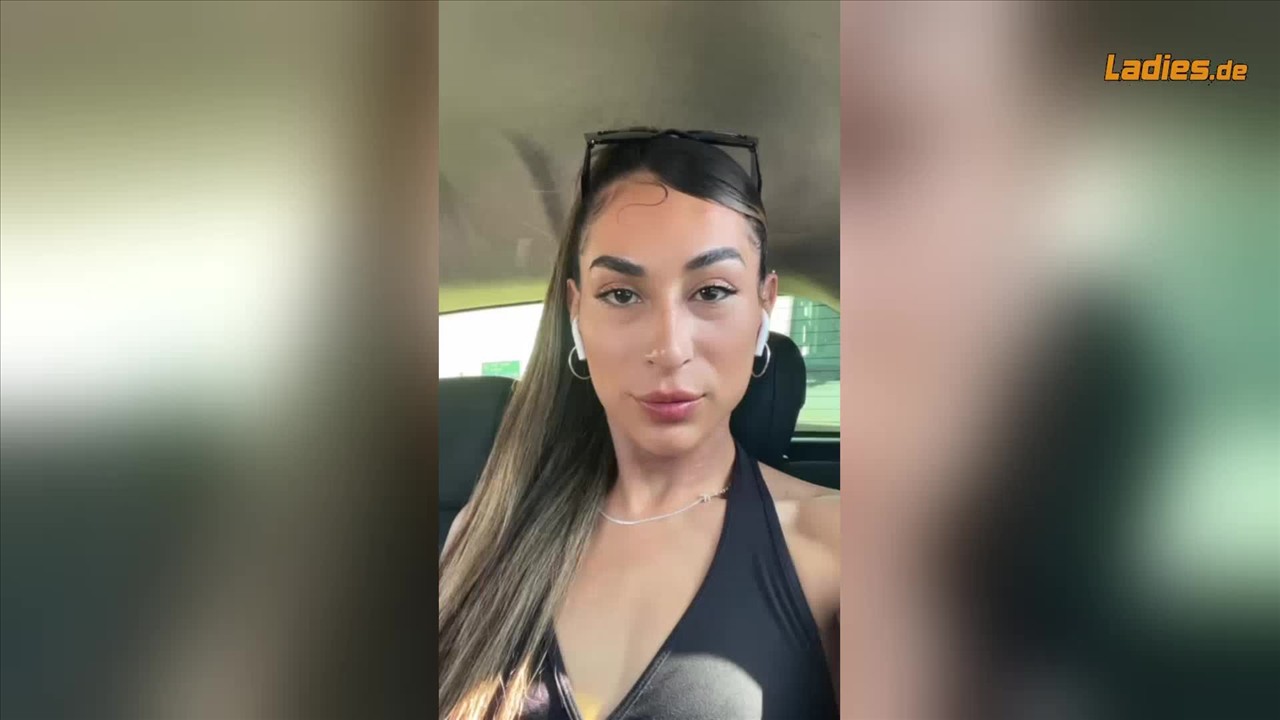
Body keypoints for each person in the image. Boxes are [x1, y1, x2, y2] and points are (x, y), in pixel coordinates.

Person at [438, 129, 840, 720]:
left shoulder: (837, 543)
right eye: (623, 295)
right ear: (577, 311)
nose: (669, 348)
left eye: (712, 291)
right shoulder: (483, 534)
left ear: (764, 306)